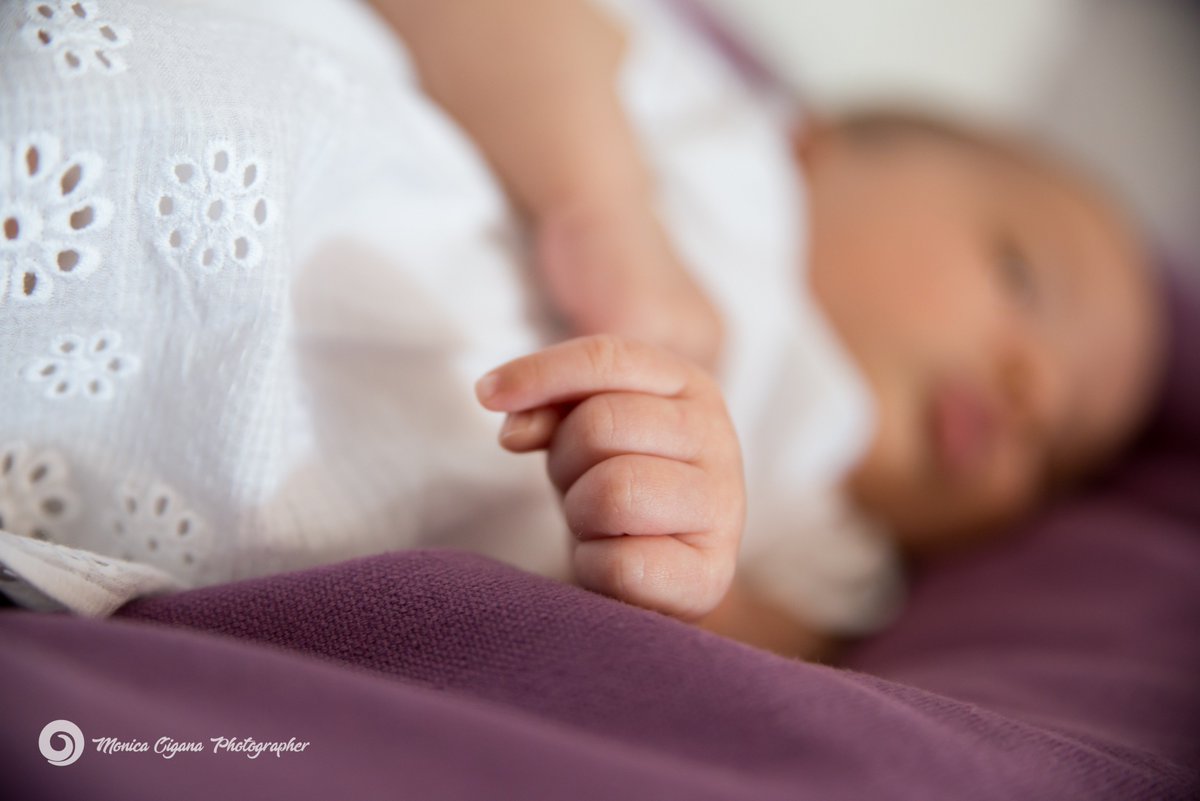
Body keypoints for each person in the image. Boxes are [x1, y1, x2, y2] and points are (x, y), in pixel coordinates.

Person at [0, 0, 1163, 658]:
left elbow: (737, 657)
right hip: (287, 161)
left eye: (1056, 453)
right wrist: (603, 206)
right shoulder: (722, 139)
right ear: (825, 146)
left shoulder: (830, 553)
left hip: (236, 465)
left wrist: (676, 562)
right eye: (1020, 276)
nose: (1031, 388)